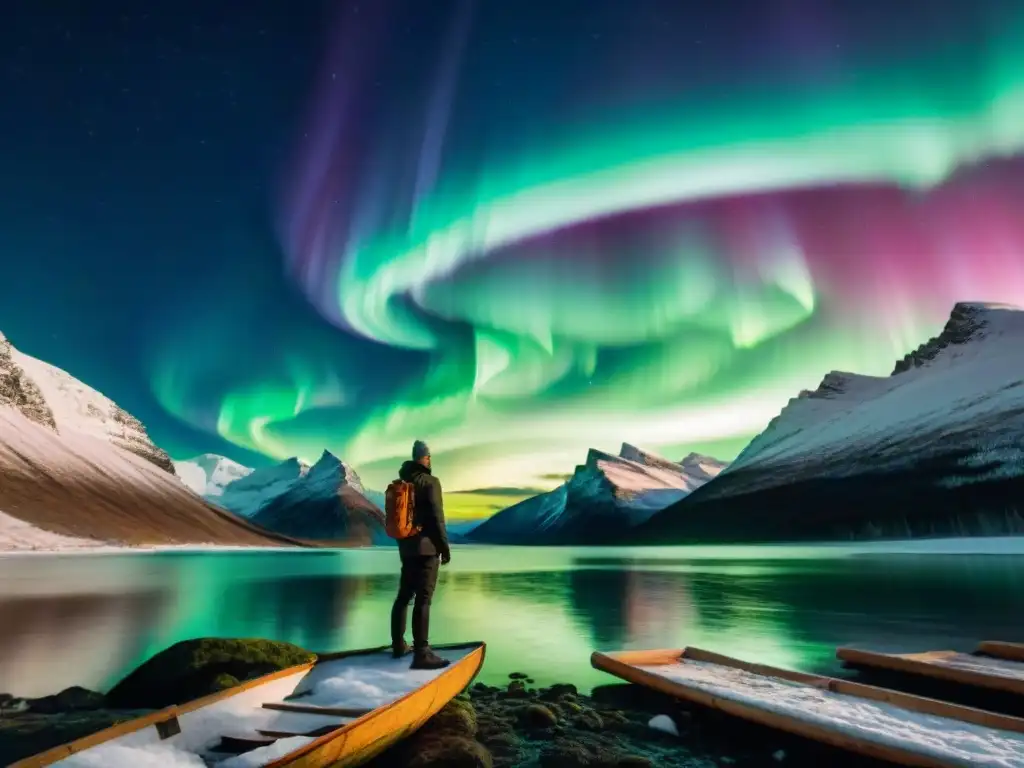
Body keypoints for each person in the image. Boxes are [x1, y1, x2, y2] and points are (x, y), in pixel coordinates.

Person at [390, 439, 452, 670]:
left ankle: (398, 646)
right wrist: (444, 548)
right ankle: (422, 653)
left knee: (404, 596)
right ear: (425, 458)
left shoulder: (402, 482)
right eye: (429, 457)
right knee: (424, 599)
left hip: (406, 548)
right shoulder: (430, 481)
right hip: (427, 550)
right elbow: (437, 517)